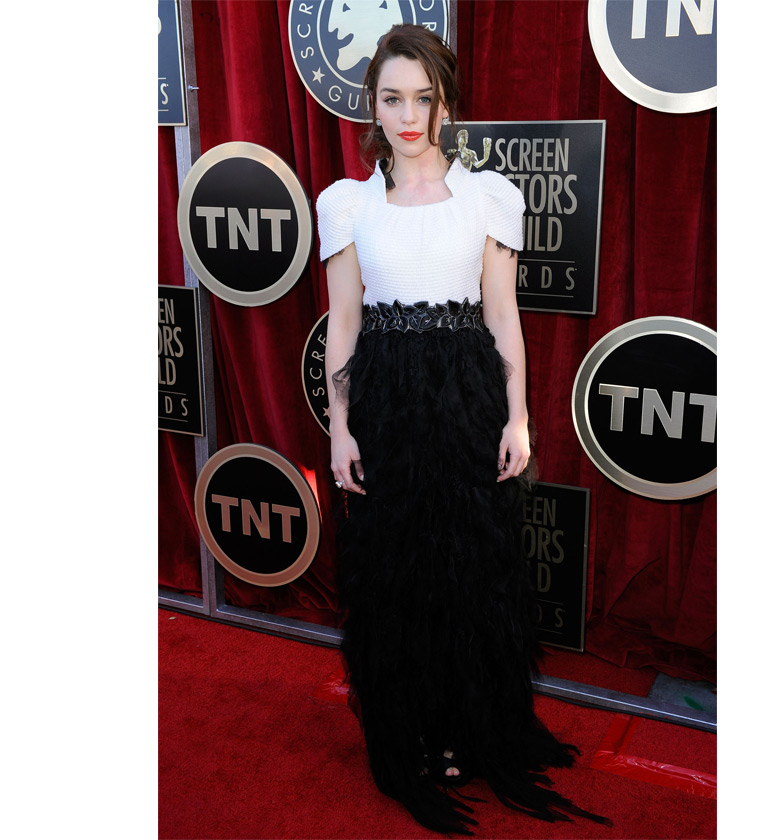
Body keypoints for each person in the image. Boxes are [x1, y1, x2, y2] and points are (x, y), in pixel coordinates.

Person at [315, 24, 611, 836]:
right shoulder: (346, 205)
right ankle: (407, 727)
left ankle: (461, 728)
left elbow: (503, 316)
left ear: (446, 102)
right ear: (373, 106)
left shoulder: (489, 198)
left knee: (467, 576)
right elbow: (343, 325)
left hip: (466, 402)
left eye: (424, 98)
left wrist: (518, 416)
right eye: (392, 99)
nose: (409, 117)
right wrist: (340, 430)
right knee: (396, 579)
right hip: (385, 407)